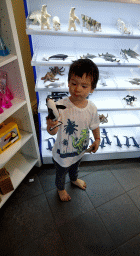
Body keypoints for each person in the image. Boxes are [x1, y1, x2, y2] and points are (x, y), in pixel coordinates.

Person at [46, 59, 100, 201]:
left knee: (75, 168)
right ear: (68, 82)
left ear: (92, 88)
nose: (77, 89)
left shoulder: (92, 108)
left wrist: (98, 139)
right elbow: (52, 132)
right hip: (62, 155)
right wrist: (51, 124)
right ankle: (60, 188)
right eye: (74, 83)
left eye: (84, 85)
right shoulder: (59, 106)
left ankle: (74, 179)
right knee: (61, 174)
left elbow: (95, 125)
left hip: (79, 150)